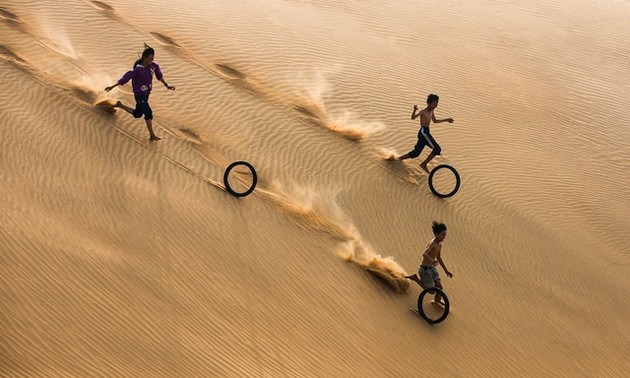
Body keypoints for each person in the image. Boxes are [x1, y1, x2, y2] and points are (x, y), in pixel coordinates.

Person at [104, 45, 176, 141]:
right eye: (150, 59)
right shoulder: (138, 69)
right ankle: (152, 135)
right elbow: (126, 78)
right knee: (148, 113)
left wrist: (167, 85)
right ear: (144, 58)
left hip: (146, 94)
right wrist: (112, 86)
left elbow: (159, 76)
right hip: (139, 95)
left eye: (153, 58)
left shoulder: (153, 66)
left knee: (137, 114)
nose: (152, 60)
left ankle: (119, 104)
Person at [397, 94, 454, 172]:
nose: (435, 106)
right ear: (428, 103)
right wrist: (414, 110)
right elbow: (413, 118)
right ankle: (423, 164)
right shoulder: (423, 111)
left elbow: (435, 121)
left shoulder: (432, 111)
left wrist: (447, 120)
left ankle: (398, 158)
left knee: (415, 153)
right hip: (423, 133)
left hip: (425, 133)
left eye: (436, 104)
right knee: (437, 149)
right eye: (434, 104)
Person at [405, 221, 453, 305]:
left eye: (445, 234)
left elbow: (438, 257)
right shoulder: (433, 244)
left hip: (432, 269)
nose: (444, 237)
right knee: (431, 291)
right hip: (425, 270)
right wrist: (432, 260)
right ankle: (415, 278)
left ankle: (437, 301)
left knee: (439, 287)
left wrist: (446, 270)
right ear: (437, 234)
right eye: (442, 234)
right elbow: (424, 254)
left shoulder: (439, 244)